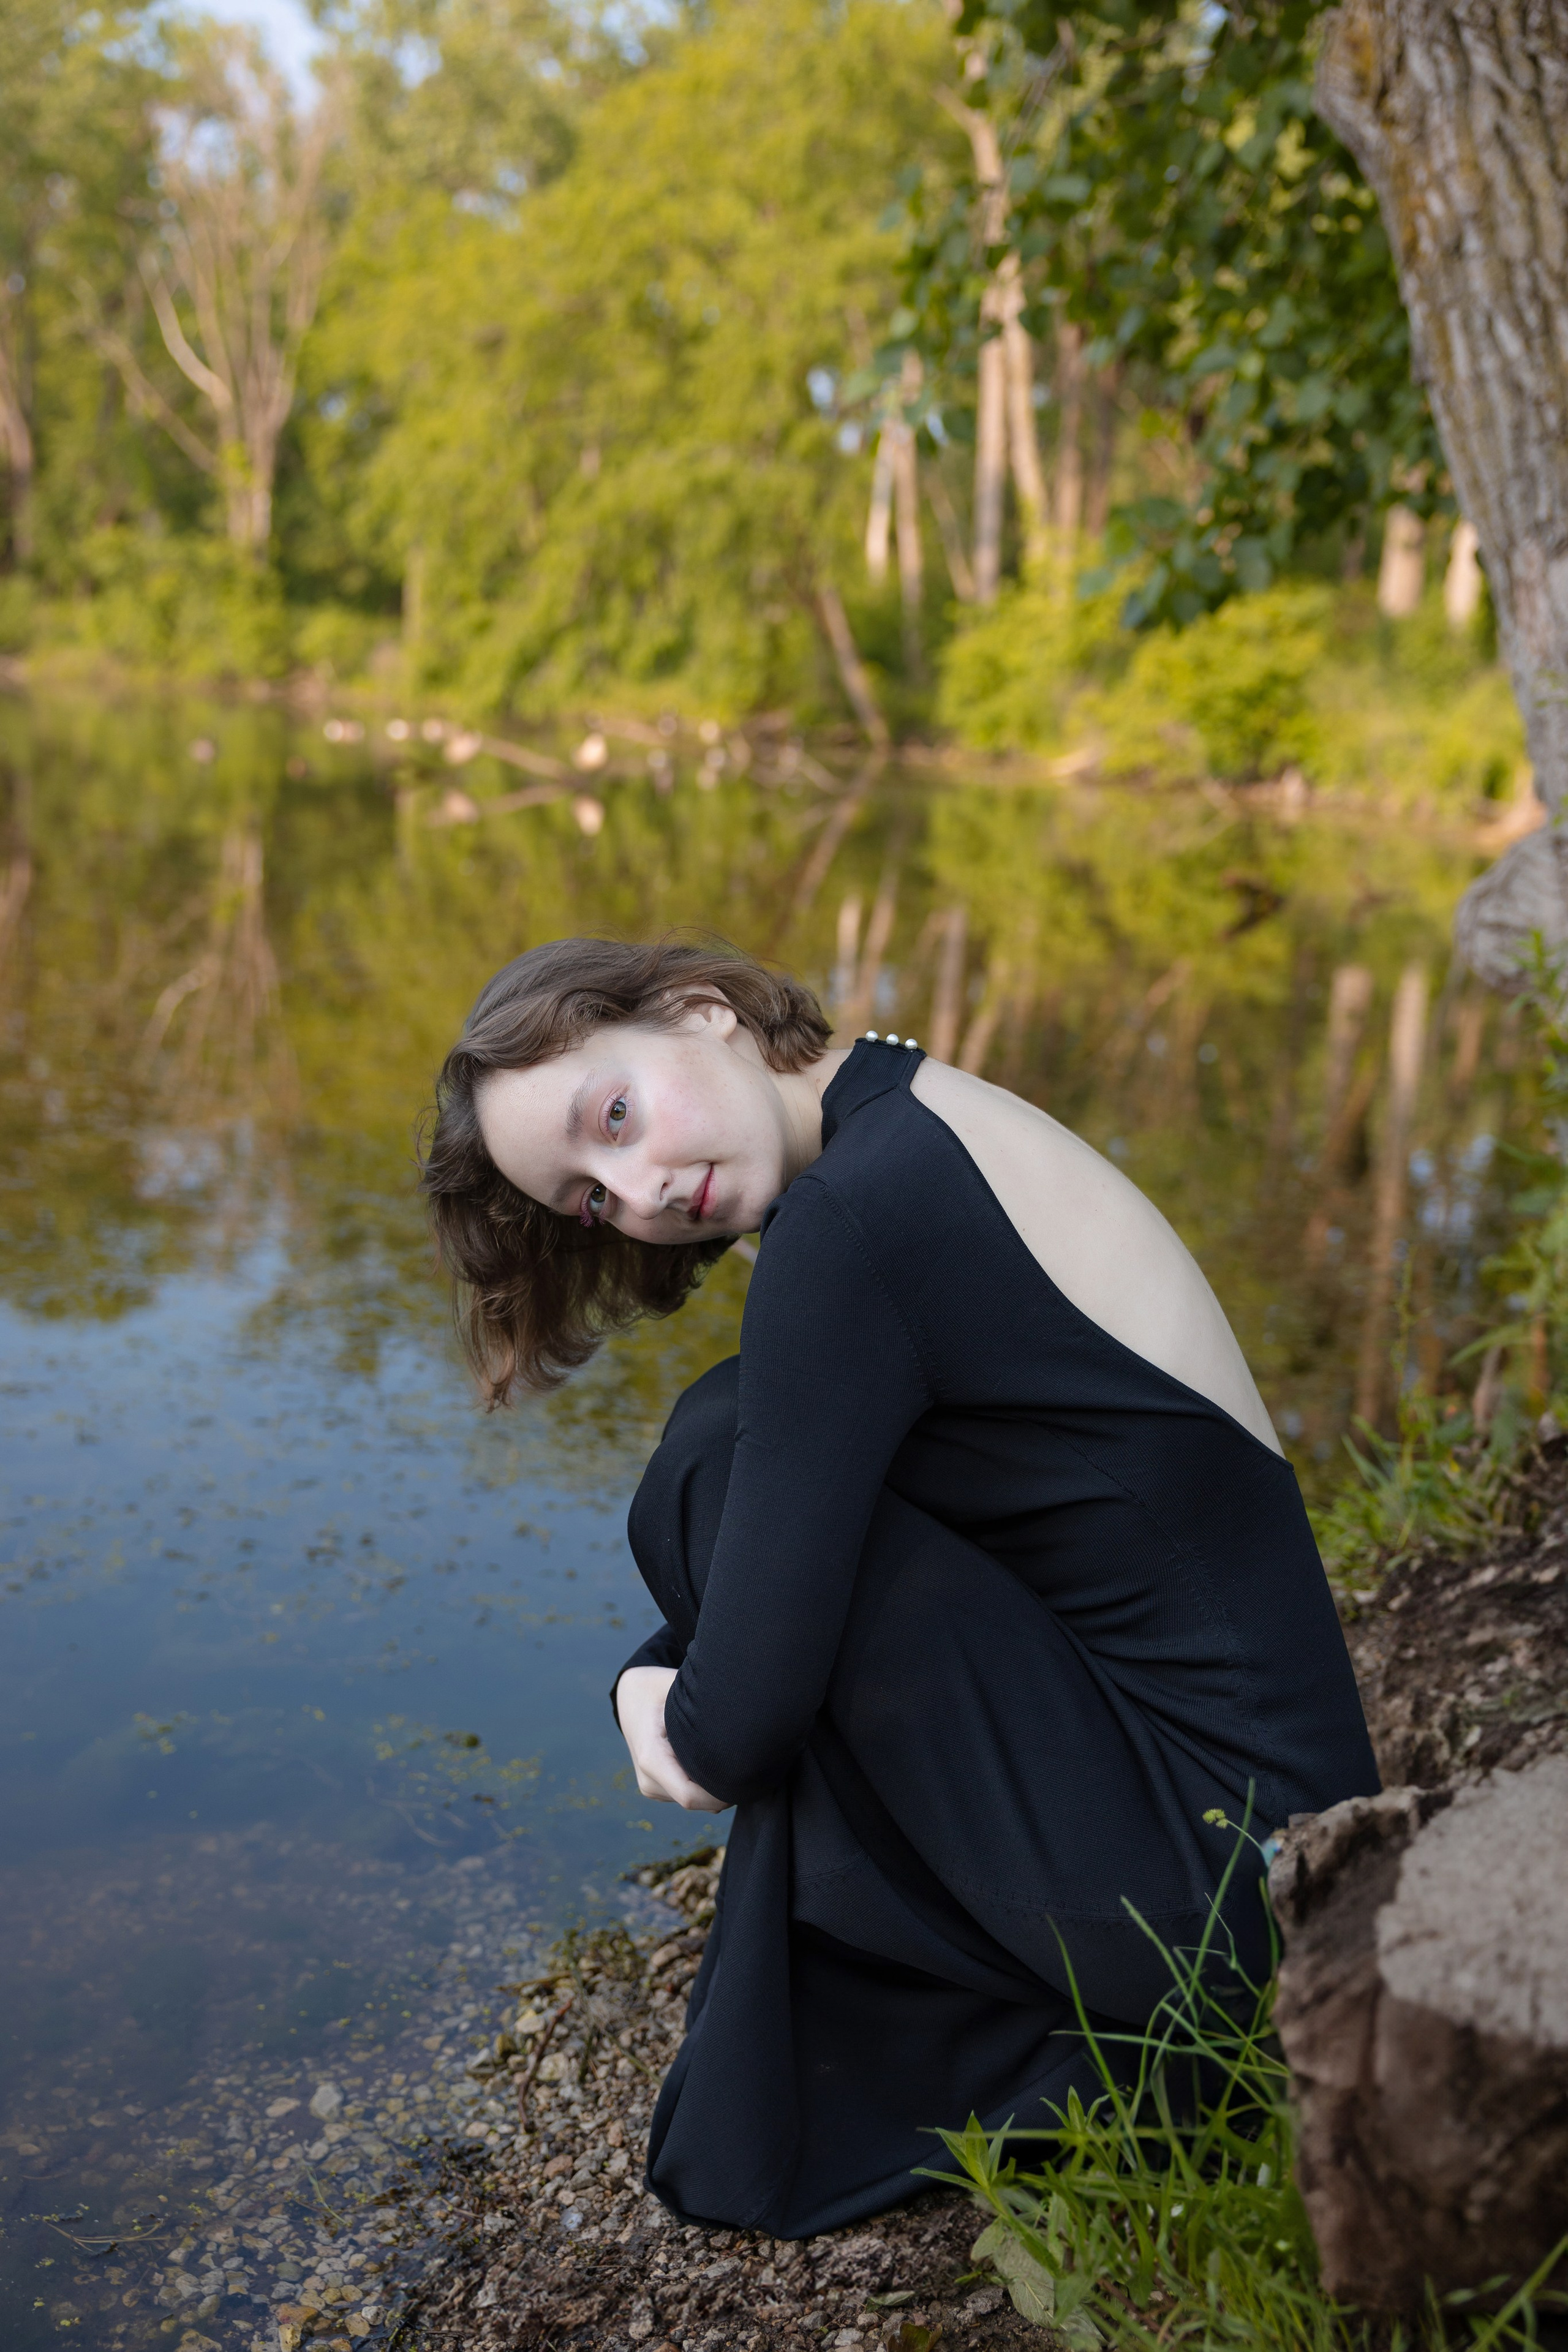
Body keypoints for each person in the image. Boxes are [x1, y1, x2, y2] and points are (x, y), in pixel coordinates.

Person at [420, 933, 1378, 2238]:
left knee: (707, 1464)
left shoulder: (852, 1224)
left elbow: (725, 1739)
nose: (637, 1191)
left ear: (702, 1013)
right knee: (733, 1438)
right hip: (1282, 1844)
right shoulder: (914, 1114)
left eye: (616, 1115)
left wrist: (644, 1701)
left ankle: (931, 2048)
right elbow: (823, 1531)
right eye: (589, 1197)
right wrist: (680, 1660)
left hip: (1225, 1910)